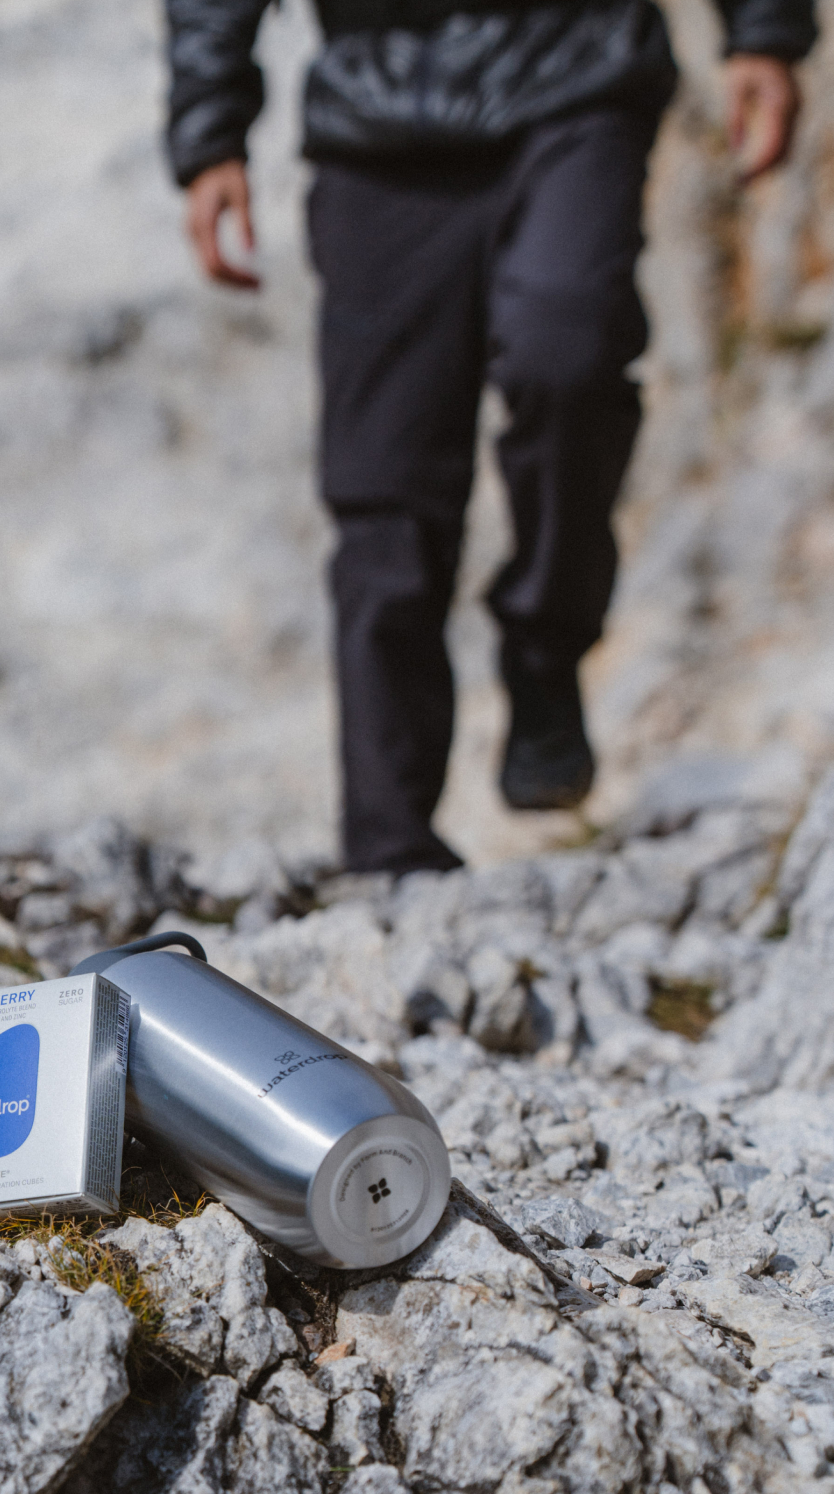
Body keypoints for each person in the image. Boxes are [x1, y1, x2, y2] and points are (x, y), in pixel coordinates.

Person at [165, 0, 814, 875]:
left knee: (569, 358)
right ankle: (388, 848)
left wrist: (762, 35)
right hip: (374, 117)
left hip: (576, 75)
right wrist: (210, 130)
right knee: (383, 491)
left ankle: (545, 649)